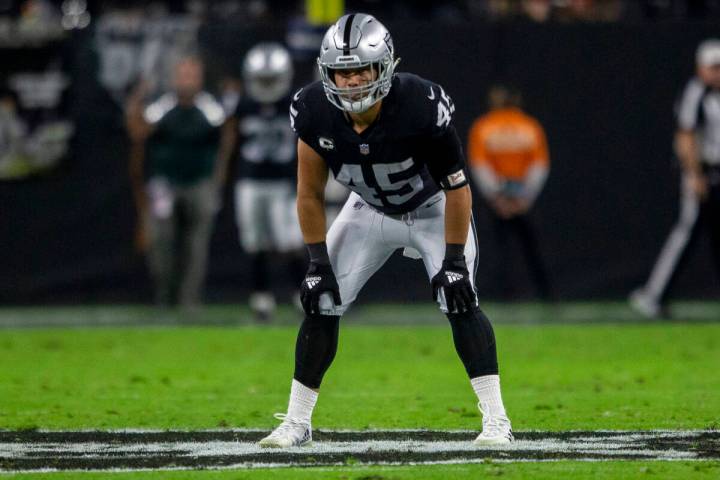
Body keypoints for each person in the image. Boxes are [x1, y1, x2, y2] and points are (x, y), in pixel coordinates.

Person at [258, 13, 513, 448]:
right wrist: (317, 261)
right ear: (327, 73)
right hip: (369, 210)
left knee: (460, 299)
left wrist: (452, 261)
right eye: (342, 71)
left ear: (385, 67)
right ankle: (297, 422)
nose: (352, 80)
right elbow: (309, 195)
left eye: (361, 69)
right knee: (321, 301)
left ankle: (497, 421)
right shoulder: (314, 108)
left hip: (433, 208)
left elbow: (457, 187)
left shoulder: (419, 103)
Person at [126, 56, 233, 310]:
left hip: (200, 182)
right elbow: (138, 131)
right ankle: (165, 294)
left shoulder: (210, 108)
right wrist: (136, 100)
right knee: (161, 241)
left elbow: (228, 133)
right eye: (182, 75)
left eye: (191, 75)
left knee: (196, 246)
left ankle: (189, 300)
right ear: (174, 78)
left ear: (199, 78)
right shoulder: (162, 107)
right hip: (165, 183)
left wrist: (218, 176)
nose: (187, 80)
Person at [630, 39, 720, 318]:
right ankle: (653, 295)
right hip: (703, 171)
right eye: (713, 67)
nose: (717, 73)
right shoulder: (696, 93)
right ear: (701, 68)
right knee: (686, 230)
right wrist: (694, 175)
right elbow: (685, 136)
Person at [228, 42, 305, 320]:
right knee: (254, 241)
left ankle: (300, 294)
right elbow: (230, 140)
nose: (267, 85)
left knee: (289, 241)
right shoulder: (242, 104)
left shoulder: (296, 103)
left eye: (271, 79)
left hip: (283, 182)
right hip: (250, 181)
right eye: (262, 80)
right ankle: (260, 297)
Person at [467, 85, 552, 300]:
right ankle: (546, 294)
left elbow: (480, 166)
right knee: (531, 249)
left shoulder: (484, 126)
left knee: (496, 249)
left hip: (498, 199)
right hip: (523, 198)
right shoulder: (529, 126)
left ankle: (502, 294)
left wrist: (497, 197)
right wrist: (525, 197)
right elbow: (539, 166)